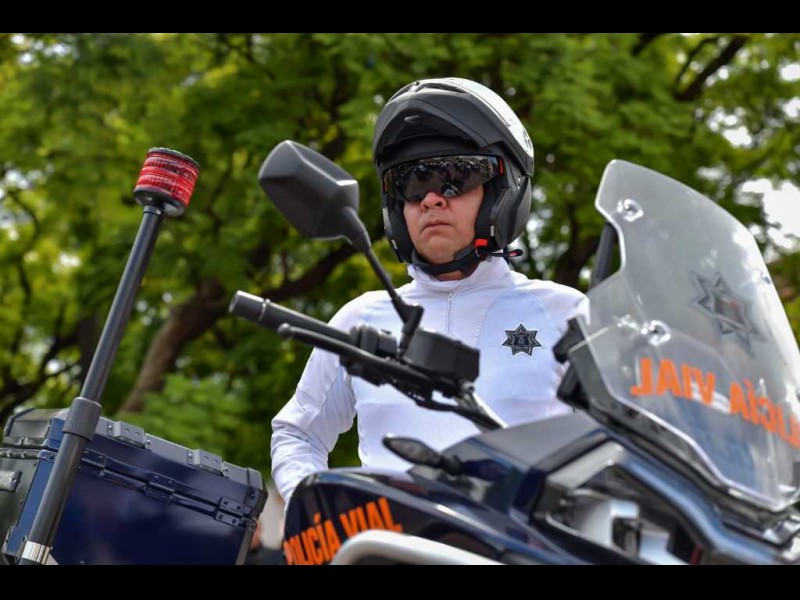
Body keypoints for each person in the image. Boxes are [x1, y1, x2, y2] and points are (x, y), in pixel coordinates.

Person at [271, 77, 586, 505]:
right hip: (388, 536)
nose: (432, 199)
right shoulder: (361, 319)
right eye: (411, 184)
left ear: (502, 190)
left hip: (518, 538)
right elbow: (297, 433)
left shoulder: (565, 313)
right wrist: (314, 510)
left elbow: (633, 438)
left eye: (455, 178)